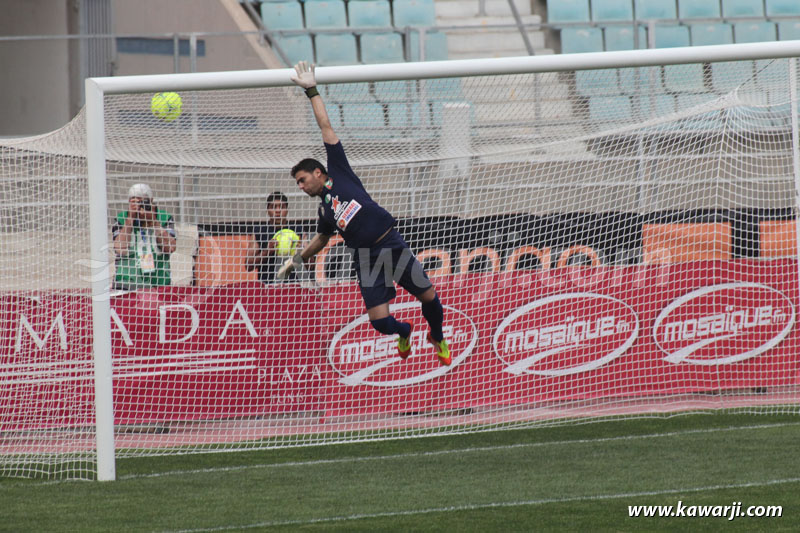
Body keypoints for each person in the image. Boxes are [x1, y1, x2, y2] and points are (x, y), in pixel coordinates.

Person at [277, 61, 450, 365]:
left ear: (318, 172)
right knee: (380, 323)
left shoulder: (339, 171)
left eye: (302, 180)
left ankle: (436, 335)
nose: (301, 187)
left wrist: (311, 90)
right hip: (367, 259)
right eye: (298, 184)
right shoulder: (325, 211)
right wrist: (297, 260)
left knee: (430, 298)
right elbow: (321, 238)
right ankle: (405, 331)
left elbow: (325, 127)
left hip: (390, 244)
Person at [112, 183, 177, 290]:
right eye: (136, 202)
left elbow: (170, 247)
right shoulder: (121, 218)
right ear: (129, 202)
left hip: (159, 281)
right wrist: (130, 218)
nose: (141, 206)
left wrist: (154, 222)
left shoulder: (164, 217)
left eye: (144, 202)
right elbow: (120, 249)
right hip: (126, 281)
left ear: (151, 201)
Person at [245, 191, 300, 283]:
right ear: (267, 210)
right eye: (273, 207)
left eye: (282, 207)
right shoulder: (259, 232)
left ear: (287, 209)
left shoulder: (297, 231)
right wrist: (267, 251)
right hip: (268, 287)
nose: (278, 211)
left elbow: (311, 265)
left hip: (293, 287)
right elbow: (248, 265)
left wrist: (301, 252)